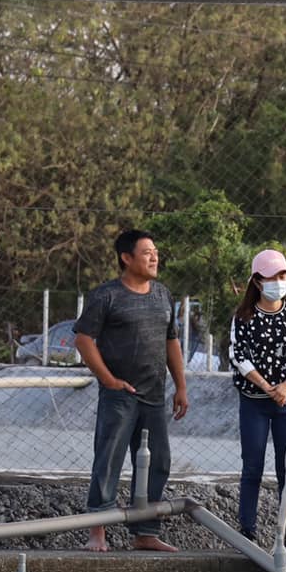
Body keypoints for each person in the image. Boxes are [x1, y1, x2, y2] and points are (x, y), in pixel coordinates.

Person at [74, 229, 189, 553]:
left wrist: (181, 386)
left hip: (154, 395)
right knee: (108, 459)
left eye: (155, 251)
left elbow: (171, 341)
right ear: (126, 258)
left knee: (159, 461)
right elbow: (83, 339)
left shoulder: (163, 294)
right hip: (119, 395)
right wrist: (109, 380)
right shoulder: (106, 296)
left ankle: (145, 532)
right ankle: (96, 532)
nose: (154, 257)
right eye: (146, 252)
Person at [229, 247, 286, 547]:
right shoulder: (244, 317)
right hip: (254, 401)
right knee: (252, 465)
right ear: (257, 281)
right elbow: (239, 357)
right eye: (272, 276)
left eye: (282, 275)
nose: (279, 281)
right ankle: (247, 530)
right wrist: (267, 387)